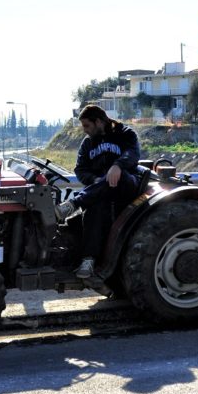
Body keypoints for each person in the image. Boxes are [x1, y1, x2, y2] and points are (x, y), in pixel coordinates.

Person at [55, 105, 141, 279]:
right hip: (100, 191)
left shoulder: (125, 134)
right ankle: (89, 260)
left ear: (99, 121)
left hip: (127, 185)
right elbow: (80, 169)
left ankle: (74, 204)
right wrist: (95, 181)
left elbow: (132, 154)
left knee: (119, 176)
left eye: (87, 126)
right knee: (94, 208)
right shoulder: (87, 144)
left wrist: (117, 166)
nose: (85, 131)